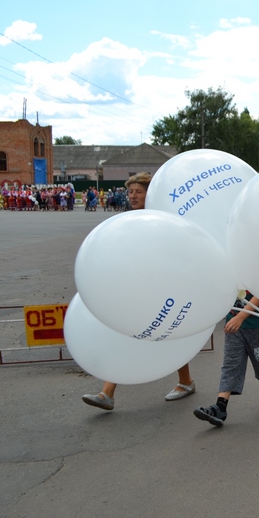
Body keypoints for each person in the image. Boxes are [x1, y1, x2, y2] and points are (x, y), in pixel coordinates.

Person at [82, 172, 196, 411]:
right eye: (130, 192)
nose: (132, 196)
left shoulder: (161, 220)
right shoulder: (127, 219)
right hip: (135, 287)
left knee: (169, 335)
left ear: (149, 194)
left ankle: (185, 381)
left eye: (138, 191)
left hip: (161, 288)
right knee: (123, 334)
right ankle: (107, 393)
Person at [193, 292, 259, 427]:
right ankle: (220, 407)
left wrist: (241, 317)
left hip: (258, 324)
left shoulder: (256, 271)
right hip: (233, 324)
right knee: (231, 364)